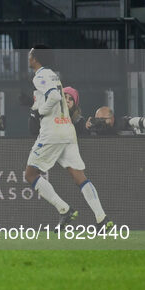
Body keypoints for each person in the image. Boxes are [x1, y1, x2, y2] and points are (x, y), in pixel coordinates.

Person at [24, 45, 113, 232]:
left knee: (30, 175)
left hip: (53, 131)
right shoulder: (53, 75)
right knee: (79, 176)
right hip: (67, 128)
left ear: (36, 58)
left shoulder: (40, 75)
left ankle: (64, 209)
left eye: (30, 53)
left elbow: (55, 97)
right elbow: (53, 95)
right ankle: (101, 219)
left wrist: (41, 111)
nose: (28, 56)